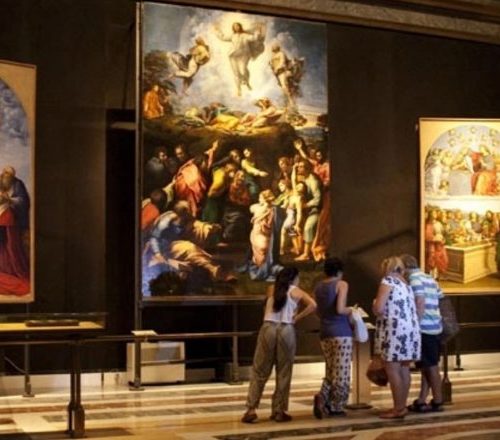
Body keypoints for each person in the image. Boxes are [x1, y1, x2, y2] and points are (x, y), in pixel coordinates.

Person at [242, 266, 317, 423]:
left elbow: (266, 308)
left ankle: (251, 409)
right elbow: (313, 305)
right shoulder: (297, 291)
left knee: (259, 370)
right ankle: (279, 411)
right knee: (284, 371)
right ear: (294, 278)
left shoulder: (271, 289)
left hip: (268, 327)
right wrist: (297, 317)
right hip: (286, 329)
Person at [372, 256, 421, 419]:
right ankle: (402, 406)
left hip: (395, 330)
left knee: (392, 370)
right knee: (404, 368)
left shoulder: (388, 281)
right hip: (410, 330)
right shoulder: (406, 284)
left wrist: (374, 305)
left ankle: (398, 409)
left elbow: (379, 308)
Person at [400, 254, 444, 413]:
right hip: (435, 326)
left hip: (424, 328)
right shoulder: (429, 278)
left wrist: (414, 324)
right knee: (426, 365)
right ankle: (421, 399)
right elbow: (440, 298)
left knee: (431, 366)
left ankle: (438, 400)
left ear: (405, 267)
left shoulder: (414, 279)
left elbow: (419, 302)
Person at [313, 258, 353, 419]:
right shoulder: (341, 284)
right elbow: (340, 309)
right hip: (341, 332)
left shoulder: (318, 286)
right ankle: (337, 405)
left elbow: (317, 311)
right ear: (340, 271)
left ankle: (323, 398)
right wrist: (352, 310)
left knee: (330, 370)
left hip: (325, 332)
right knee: (342, 371)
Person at [214, 21, 266, 96]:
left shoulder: (245, 35)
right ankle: (238, 89)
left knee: (243, 70)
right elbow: (223, 37)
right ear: (233, 28)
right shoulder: (232, 36)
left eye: (237, 26)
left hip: (243, 55)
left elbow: (254, 38)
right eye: (234, 26)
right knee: (236, 73)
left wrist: (258, 31)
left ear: (240, 27)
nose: (236, 27)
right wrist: (217, 30)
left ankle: (247, 82)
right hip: (233, 56)